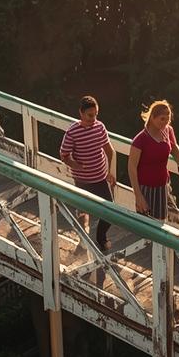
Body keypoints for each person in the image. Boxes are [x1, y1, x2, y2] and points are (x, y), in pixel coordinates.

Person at [59, 95, 116, 251]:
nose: (94, 118)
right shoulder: (72, 132)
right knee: (83, 213)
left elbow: (110, 151)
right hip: (82, 181)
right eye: (90, 115)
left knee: (110, 211)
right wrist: (75, 165)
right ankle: (82, 240)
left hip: (100, 178)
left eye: (96, 114)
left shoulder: (100, 127)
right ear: (81, 113)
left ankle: (101, 238)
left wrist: (111, 172)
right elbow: (63, 154)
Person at [129, 100, 179, 221]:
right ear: (152, 117)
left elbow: (174, 147)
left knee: (161, 222)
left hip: (162, 186)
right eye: (162, 119)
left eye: (167, 119)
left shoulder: (168, 131)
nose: (165, 123)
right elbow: (131, 168)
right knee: (145, 225)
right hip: (145, 188)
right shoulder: (140, 139)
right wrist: (138, 196)